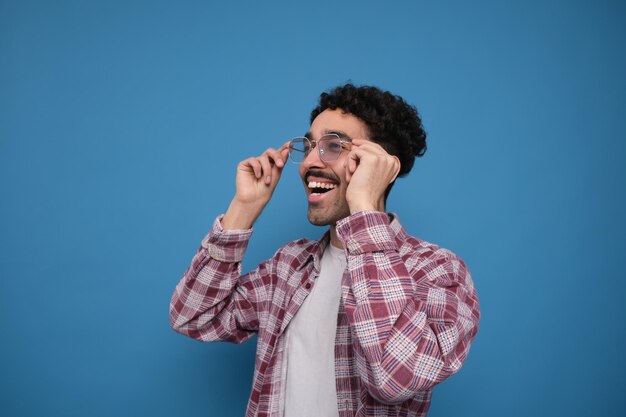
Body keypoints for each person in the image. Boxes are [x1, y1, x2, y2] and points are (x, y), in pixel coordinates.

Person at [169, 84, 480, 417]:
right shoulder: (289, 266)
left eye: (334, 145)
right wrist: (243, 209)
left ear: (380, 166)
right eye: (311, 145)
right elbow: (194, 316)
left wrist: (364, 205)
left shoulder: (437, 270)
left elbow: (395, 379)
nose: (309, 163)